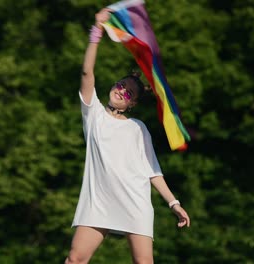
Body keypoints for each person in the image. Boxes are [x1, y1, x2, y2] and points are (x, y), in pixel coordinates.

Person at [65, 8, 190, 264]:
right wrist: (96, 32)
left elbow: (152, 171)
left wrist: (174, 203)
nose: (123, 91)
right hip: (98, 202)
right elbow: (87, 74)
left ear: (132, 104)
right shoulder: (94, 115)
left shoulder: (138, 128)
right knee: (75, 259)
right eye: (121, 86)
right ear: (113, 87)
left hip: (135, 202)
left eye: (129, 93)